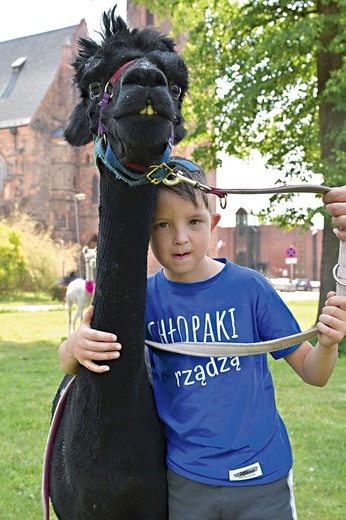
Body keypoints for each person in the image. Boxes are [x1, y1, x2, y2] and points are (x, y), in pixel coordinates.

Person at [59, 165, 346, 520]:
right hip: (187, 483)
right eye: (162, 224)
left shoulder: (250, 288)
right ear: (145, 232)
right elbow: (70, 364)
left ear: (212, 222)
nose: (180, 237)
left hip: (263, 481)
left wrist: (329, 345)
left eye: (193, 221)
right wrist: (75, 346)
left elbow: (313, 372)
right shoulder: (141, 300)